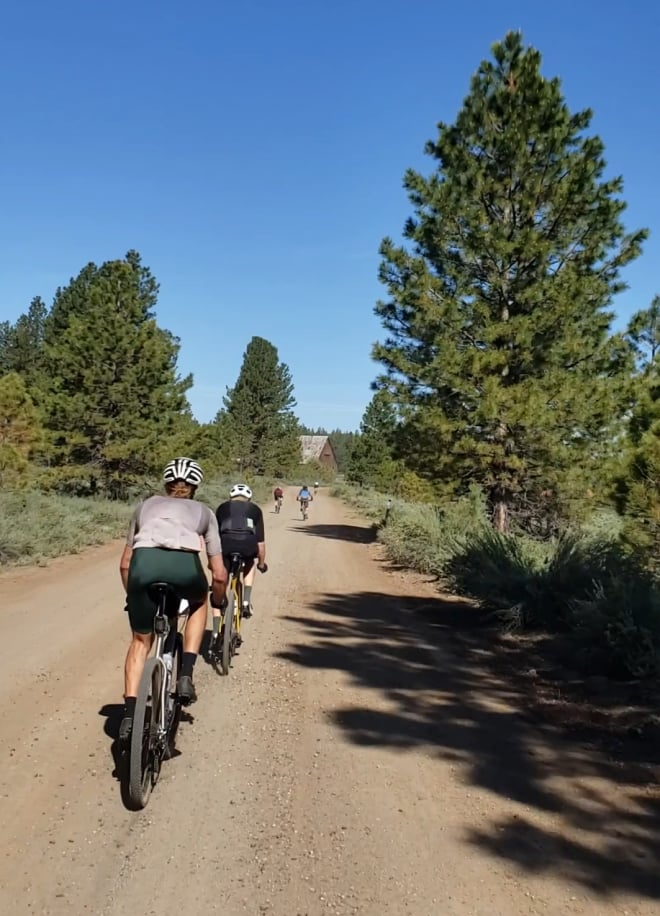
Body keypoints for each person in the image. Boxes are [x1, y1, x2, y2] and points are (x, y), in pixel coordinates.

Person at [118, 457, 228, 742]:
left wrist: (133, 595)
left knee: (140, 642)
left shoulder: (143, 507)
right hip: (184, 569)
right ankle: (186, 675)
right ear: (194, 486)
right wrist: (218, 599)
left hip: (143, 568)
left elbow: (125, 564)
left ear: (166, 484)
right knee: (199, 602)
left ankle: (130, 715)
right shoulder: (204, 512)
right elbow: (218, 573)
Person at [214, 484, 267, 634]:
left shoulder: (222, 508)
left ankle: (215, 632)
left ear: (230, 497)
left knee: (218, 585)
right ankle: (245, 601)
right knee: (250, 561)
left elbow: (214, 536)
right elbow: (260, 544)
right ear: (249, 498)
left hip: (225, 545)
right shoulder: (255, 509)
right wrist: (262, 564)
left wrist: (213, 563)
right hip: (248, 545)